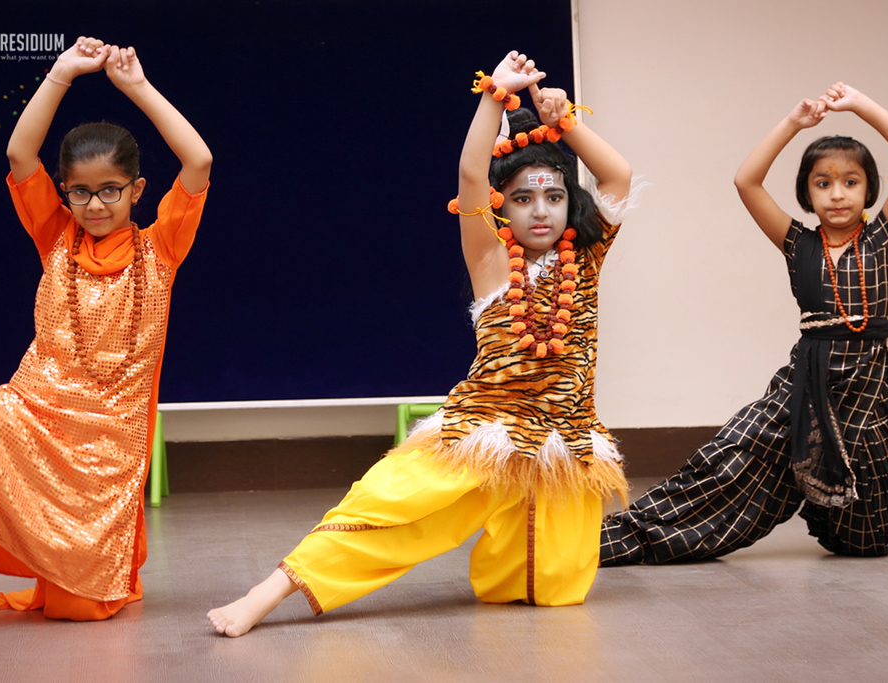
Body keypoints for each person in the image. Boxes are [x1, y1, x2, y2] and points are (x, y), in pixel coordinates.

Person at [208, 50, 634, 637]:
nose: (541, 211)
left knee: (553, 589)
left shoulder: (585, 257)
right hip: (485, 427)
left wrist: (564, 124)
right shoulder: (491, 260)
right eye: (523, 198)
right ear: (501, 207)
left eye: (554, 197)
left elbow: (618, 177)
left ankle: (517, 574)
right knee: (392, 505)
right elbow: (470, 177)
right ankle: (270, 591)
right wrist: (495, 97)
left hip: (565, 439)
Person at [0, 36, 211, 620]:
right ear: (65, 192)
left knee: (77, 610)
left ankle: (82, 574)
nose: (95, 204)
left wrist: (137, 87)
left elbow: (199, 162)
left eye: (110, 190)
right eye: (80, 192)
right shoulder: (56, 235)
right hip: (35, 413)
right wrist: (61, 73)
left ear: (136, 190)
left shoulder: (161, 248)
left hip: (110, 442)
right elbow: (19, 154)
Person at [600, 82, 888, 566]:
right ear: (806, 193)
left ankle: (844, 519)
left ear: (869, 190)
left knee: (866, 540)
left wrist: (858, 105)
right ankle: (634, 534)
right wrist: (794, 123)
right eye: (822, 183)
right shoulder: (799, 243)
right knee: (735, 452)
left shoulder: (884, 234)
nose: (837, 194)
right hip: (806, 378)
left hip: (867, 385)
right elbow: (746, 181)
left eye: (850, 181)